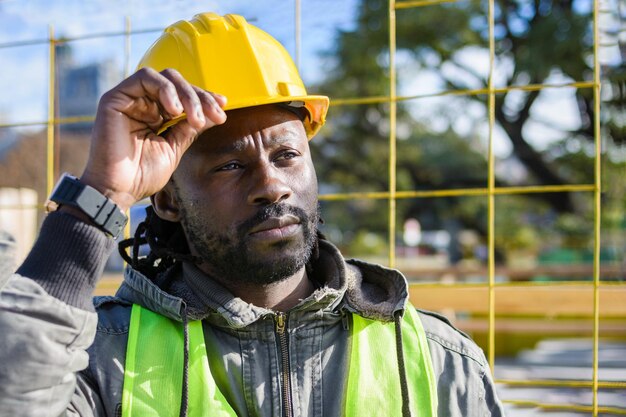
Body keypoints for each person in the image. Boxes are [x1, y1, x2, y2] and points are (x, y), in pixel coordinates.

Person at [0, 12, 504, 417]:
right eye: (230, 165)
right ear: (168, 200)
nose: (270, 185)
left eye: (287, 155)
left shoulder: (438, 361)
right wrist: (101, 192)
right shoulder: (99, 361)